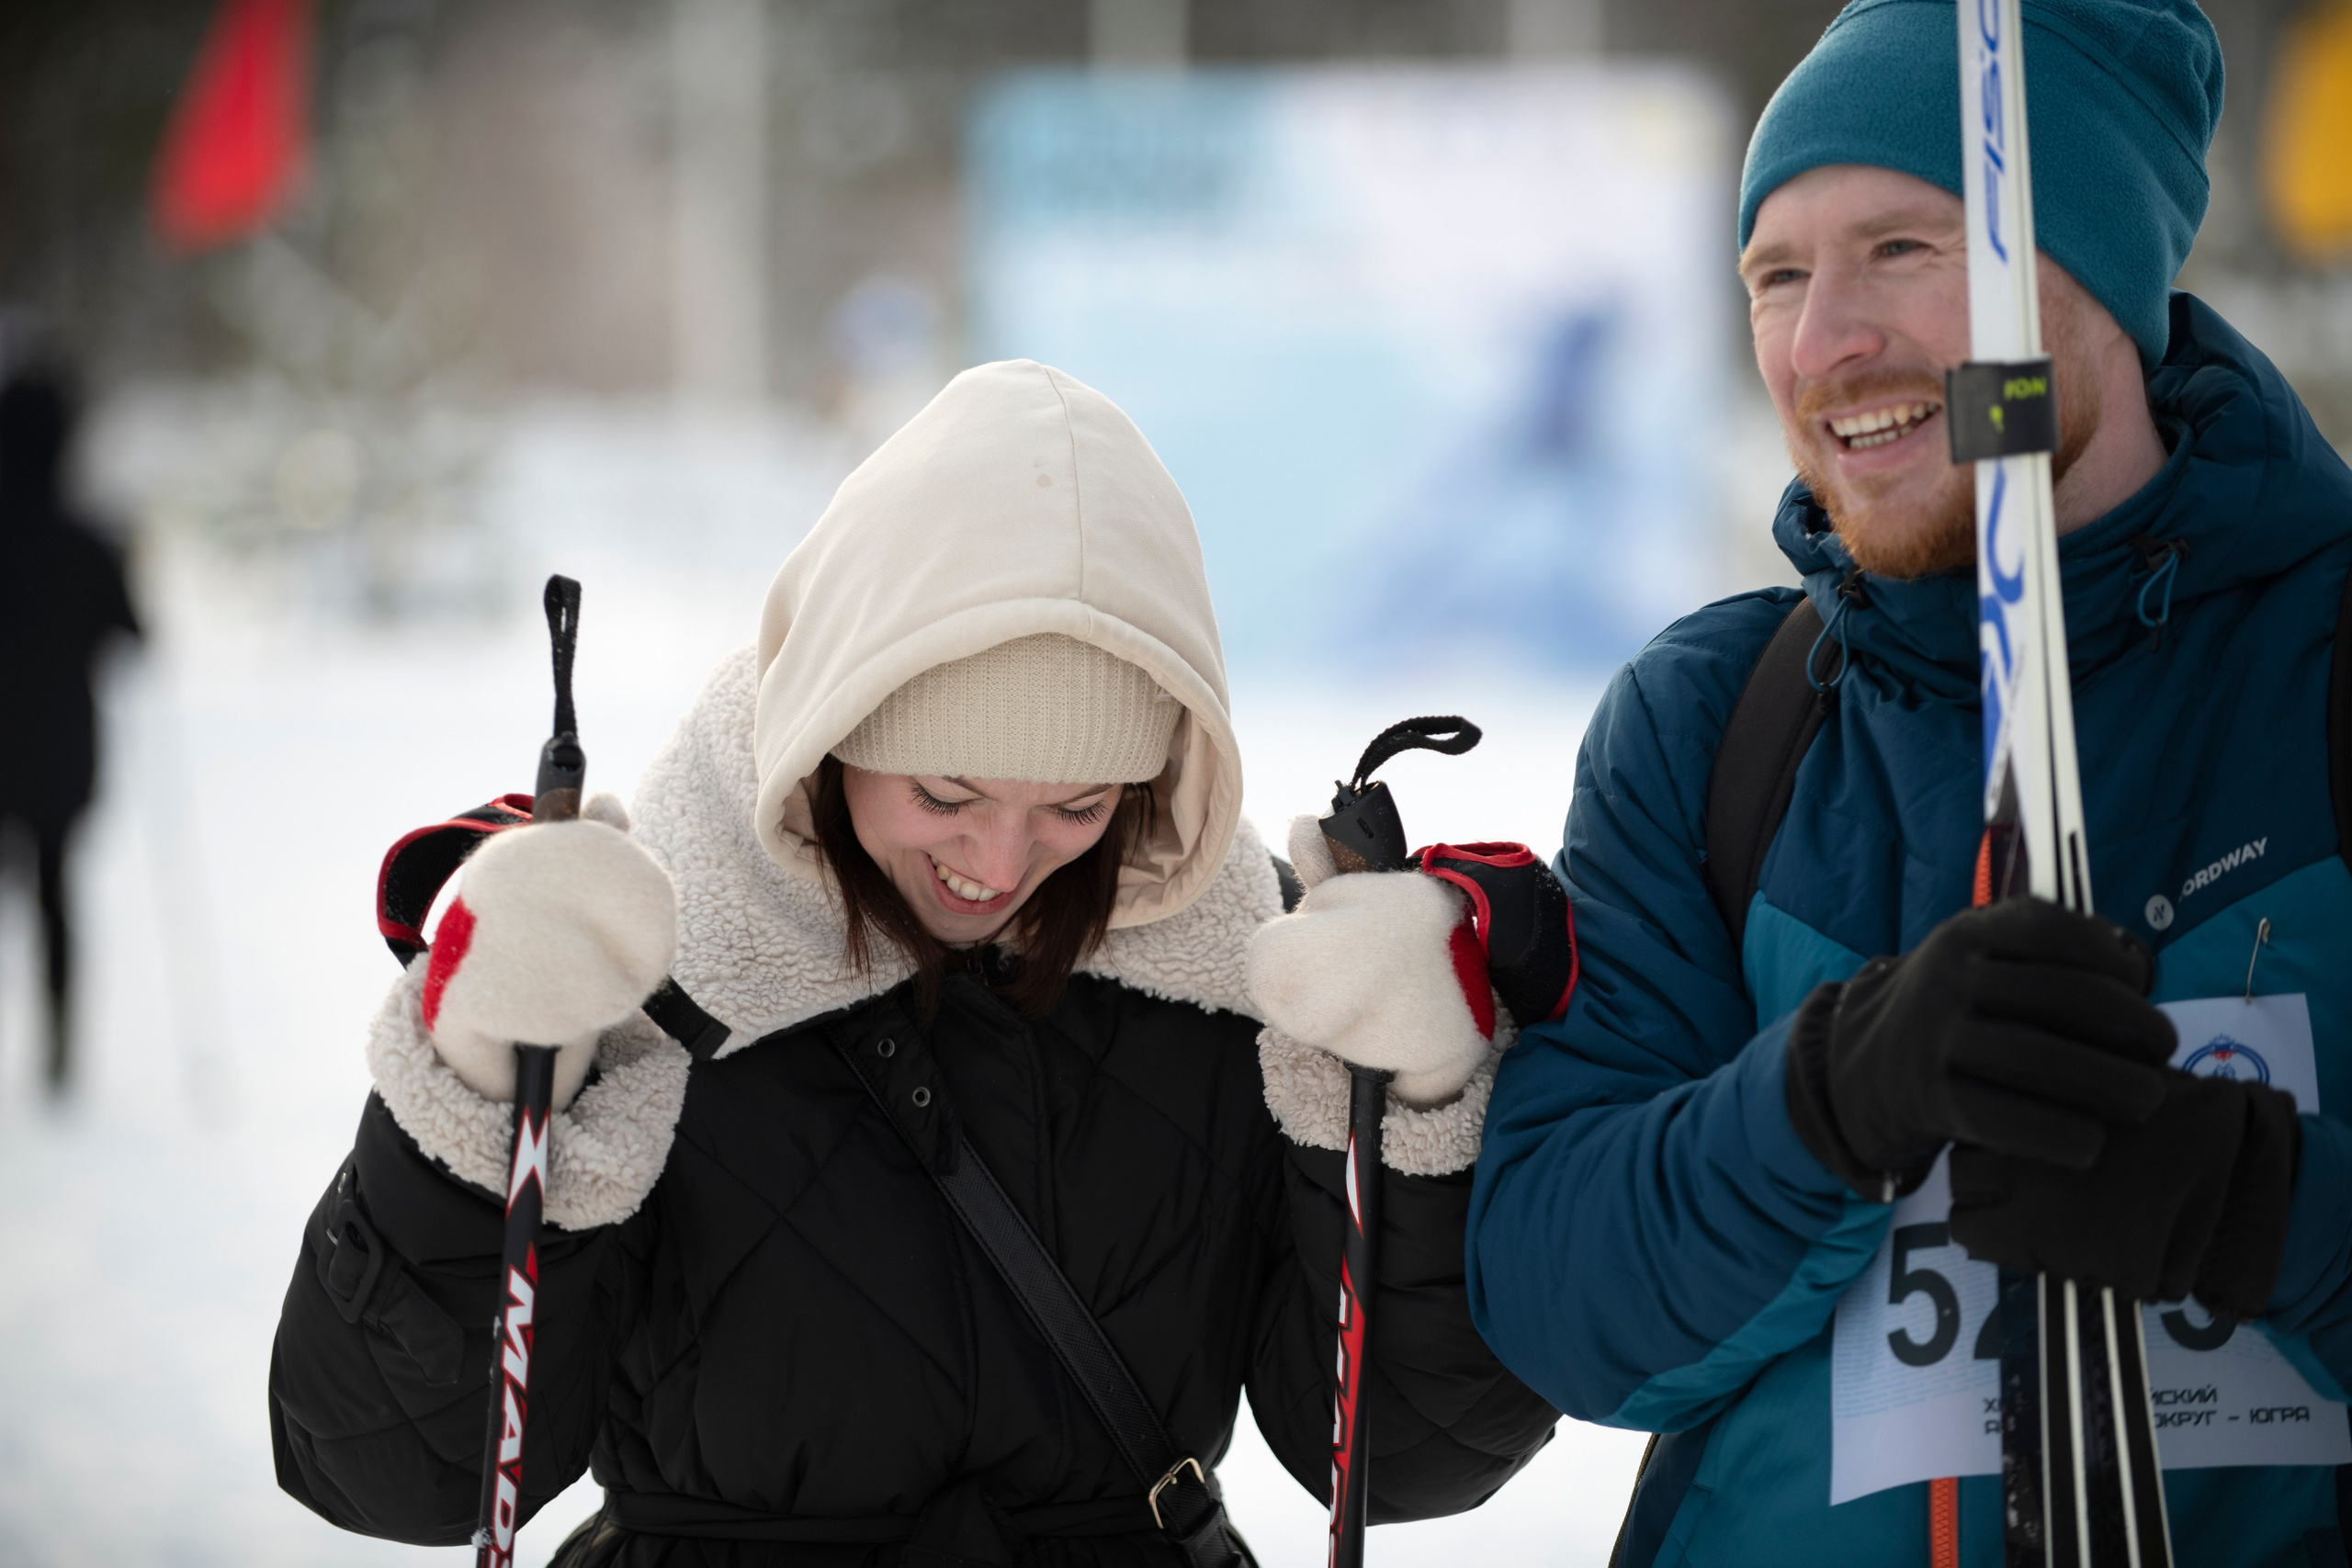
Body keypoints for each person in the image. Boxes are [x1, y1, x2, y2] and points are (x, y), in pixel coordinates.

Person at [266, 360, 1555, 1566]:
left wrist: (1420, 1106)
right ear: (836, 727)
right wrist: (479, 1086)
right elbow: (401, 1471)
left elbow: (1407, 1459)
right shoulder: (637, 960)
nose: (1000, 860)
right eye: (947, 788)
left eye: (1080, 805)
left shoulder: (1257, 978)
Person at [1453, 1, 2352, 1563]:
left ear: (2088, 277)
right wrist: (1827, 1097)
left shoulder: (2323, 674)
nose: (1821, 346)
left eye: (1903, 251)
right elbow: (1559, 1305)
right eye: (1778, 276)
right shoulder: (1715, 724)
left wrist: (2252, 1209)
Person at [0, 365, 141, 1095]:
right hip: (59, 755)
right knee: (55, 895)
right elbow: (136, 635)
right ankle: (58, 1046)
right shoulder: (85, 541)